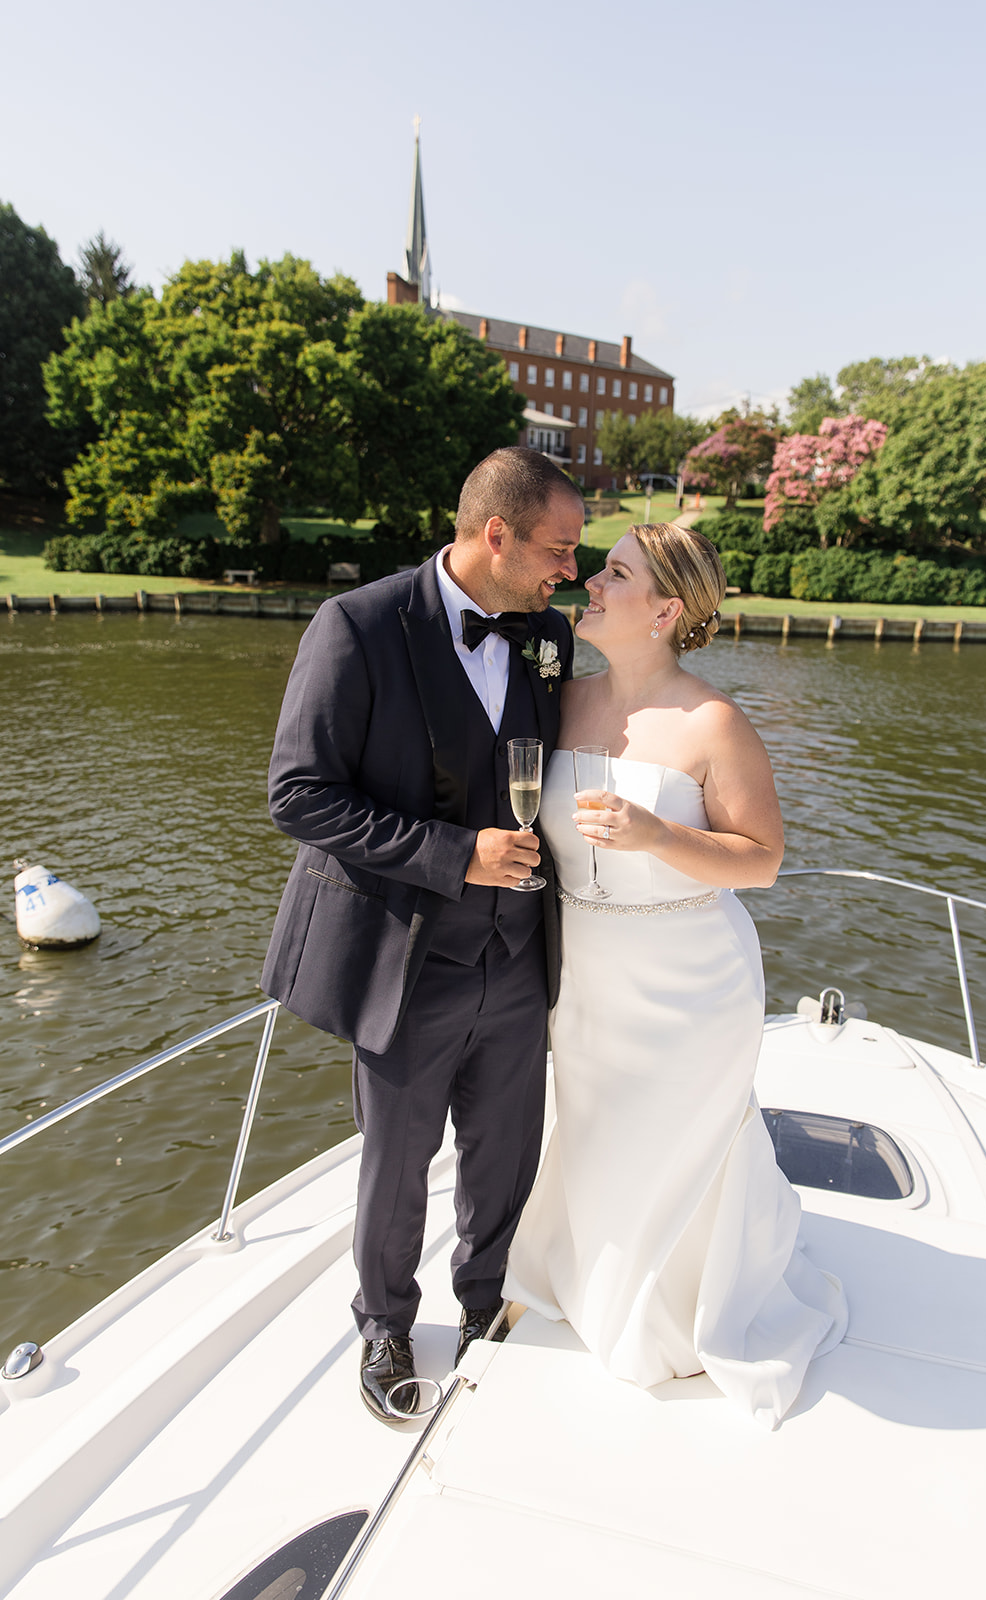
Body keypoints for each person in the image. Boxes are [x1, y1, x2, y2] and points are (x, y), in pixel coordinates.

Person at [261, 446, 582, 1424]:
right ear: (496, 534)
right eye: (557, 549)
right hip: (403, 960)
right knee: (394, 1160)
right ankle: (385, 1320)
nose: (567, 569)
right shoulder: (354, 627)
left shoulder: (550, 636)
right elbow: (298, 795)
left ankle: (485, 1299)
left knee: (505, 1150)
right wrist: (452, 855)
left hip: (520, 956)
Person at [504, 522, 847, 1429]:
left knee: (679, 1144)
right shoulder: (559, 703)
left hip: (690, 978)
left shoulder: (712, 723)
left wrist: (658, 835)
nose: (589, 580)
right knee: (594, 1134)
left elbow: (762, 859)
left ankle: (682, 1312)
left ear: (663, 610)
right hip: (583, 972)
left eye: (613, 573)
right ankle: (590, 1285)